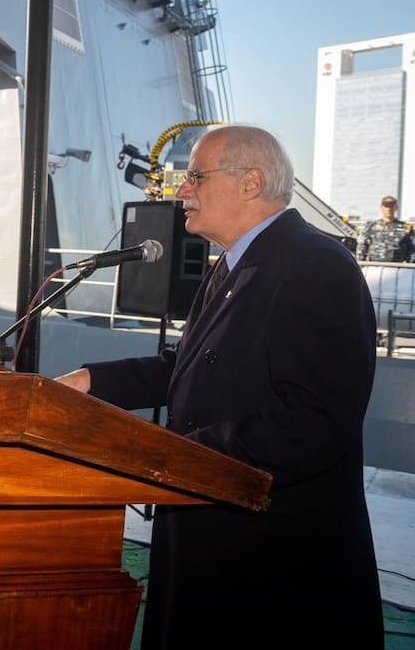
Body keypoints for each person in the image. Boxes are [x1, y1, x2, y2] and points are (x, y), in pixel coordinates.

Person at [55, 125, 382, 648]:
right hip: (211, 526)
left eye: (195, 176)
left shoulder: (316, 265)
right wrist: (91, 382)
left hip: (271, 556)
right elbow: (187, 365)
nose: (182, 189)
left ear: (250, 183)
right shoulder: (236, 262)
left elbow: (315, 421)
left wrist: (174, 456)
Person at [357, 194, 413, 263]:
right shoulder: (370, 227)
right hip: (375, 267)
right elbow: (362, 247)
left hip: (398, 268)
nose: (389, 209)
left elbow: (412, 251)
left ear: (396, 208)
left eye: (391, 206)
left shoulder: (406, 228)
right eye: (386, 206)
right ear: (381, 207)